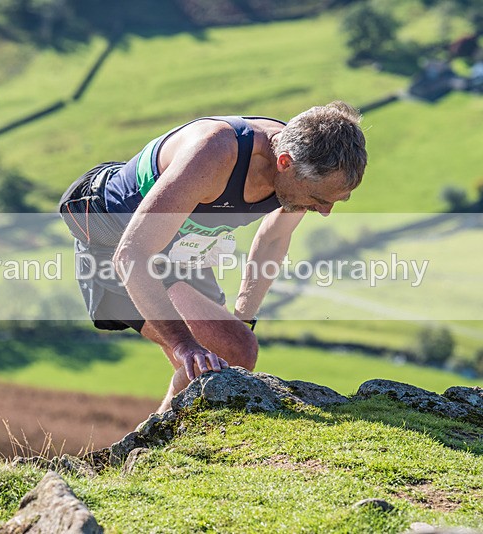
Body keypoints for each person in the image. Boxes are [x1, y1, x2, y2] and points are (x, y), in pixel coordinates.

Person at [59, 101, 367, 412]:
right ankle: (155, 440)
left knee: (224, 356)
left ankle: (159, 441)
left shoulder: (298, 163)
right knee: (233, 352)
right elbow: (132, 255)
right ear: (285, 163)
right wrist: (185, 346)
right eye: (318, 199)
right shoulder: (215, 154)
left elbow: (274, 237)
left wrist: (243, 318)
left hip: (179, 246)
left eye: (334, 201)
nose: (324, 212)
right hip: (113, 235)